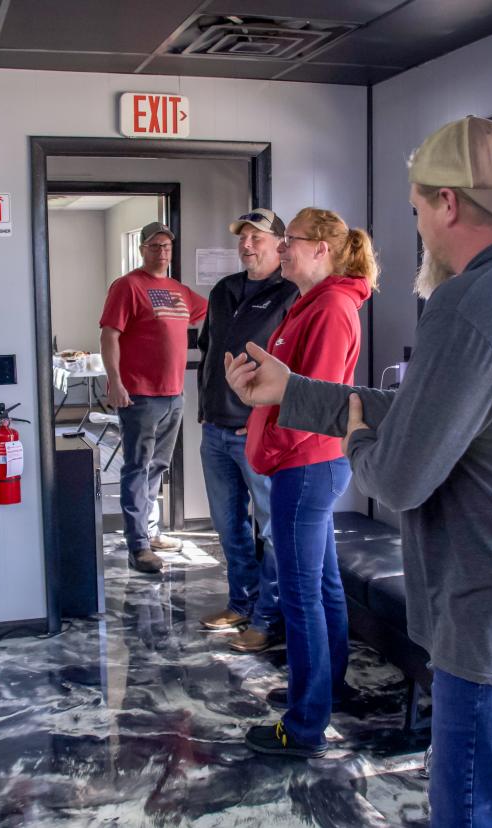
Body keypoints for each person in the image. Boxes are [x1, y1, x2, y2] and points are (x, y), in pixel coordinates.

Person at [226, 116, 492, 823]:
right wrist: (296, 392)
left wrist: (364, 440)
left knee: (471, 808)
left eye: (417, 210)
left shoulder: (471, 301)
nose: (419, 231)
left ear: (449, 205)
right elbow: (425, 409)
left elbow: (398, 475)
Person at [235, 207, 378, 758]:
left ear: (321, 249)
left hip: (306, 466)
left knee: (300, 596)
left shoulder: (333, 307)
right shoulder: (315, 303)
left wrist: (267, 448)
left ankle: (303, 725)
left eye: (290, 240)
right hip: (310, 464)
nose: (282, 249)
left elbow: (311, 404)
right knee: (321, 587)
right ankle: (322, 691)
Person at [196, 208, 298, 653]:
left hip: (257, 433)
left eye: (257, 237)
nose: (247, 244)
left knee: (271, 528)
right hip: (215, 430)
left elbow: (295, 369)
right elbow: (209, 350)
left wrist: (269, 421)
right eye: (243, 238)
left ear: (280, 244)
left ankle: (267, 618)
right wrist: (205, 409)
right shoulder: (223, 291)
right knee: (228, 525)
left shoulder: (290, 293)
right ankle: (241, 602)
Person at [100, 221, 208, 574]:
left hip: (174, 395)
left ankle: (150, 530)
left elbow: (214, 310)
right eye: (154, 246)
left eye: (166, 246)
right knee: (137, 467)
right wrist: (115, 381)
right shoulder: (128, 286)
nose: (161, 251)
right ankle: (138, 546)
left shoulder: (179, 291)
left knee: (159, 467)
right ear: (142, 249)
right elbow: (109, 336)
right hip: (140, 396)